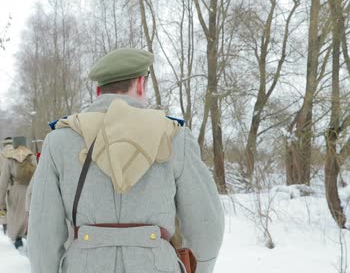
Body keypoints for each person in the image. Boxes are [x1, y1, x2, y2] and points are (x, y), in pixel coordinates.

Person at [28, 48, 224, 273]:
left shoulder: (59, 141)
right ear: (141, 84)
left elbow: (43, 233)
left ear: (98, 90)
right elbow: (207, 227)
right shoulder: (175, 137)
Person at [0, 142, 37, 249]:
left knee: (16, 218)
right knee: (30, 216)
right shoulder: (31, 157)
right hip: (32, 191)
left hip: (15, 192)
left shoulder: (9, 159)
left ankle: (18, 241)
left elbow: (2, 184)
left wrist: (1, 204)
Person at [0, 137, 14, 234]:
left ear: (4, 145)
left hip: (2, 184)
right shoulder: (18, 154)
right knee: (14, 206)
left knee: (3, 205)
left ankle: (5, 226)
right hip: (15, 184)